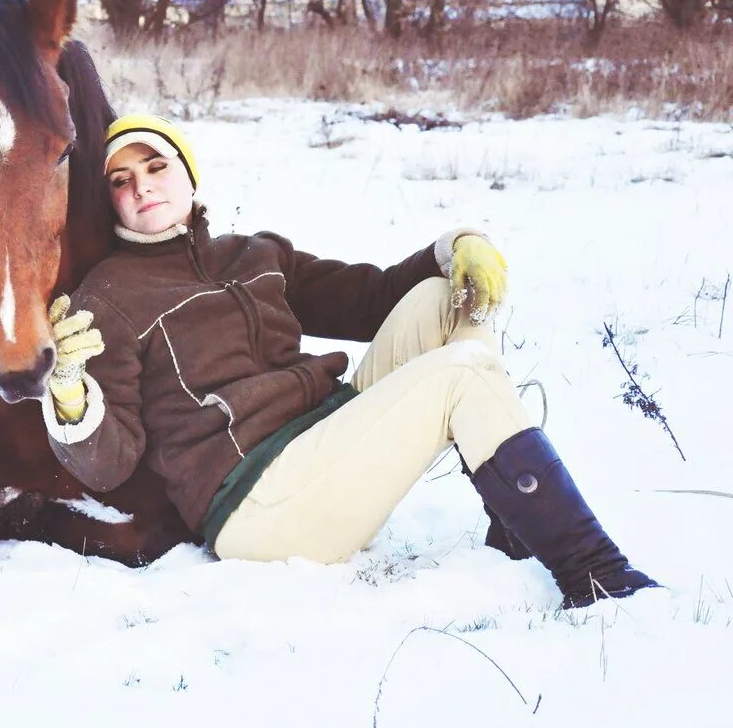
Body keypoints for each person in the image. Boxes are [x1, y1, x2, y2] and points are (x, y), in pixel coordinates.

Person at [41, 113, 659, 609]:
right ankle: (596, 575)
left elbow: (371, 300)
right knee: (460, 375)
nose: (141, 185)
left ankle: (517, 525)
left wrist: (457, 246)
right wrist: (70, 396)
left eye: (155, 165)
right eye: (120, 181)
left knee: (444, 298)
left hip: (325, 450)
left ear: (190, 175)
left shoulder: (254, 253)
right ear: (112, 202)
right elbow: (108, 462)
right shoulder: (109, 296)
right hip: (259, 507)